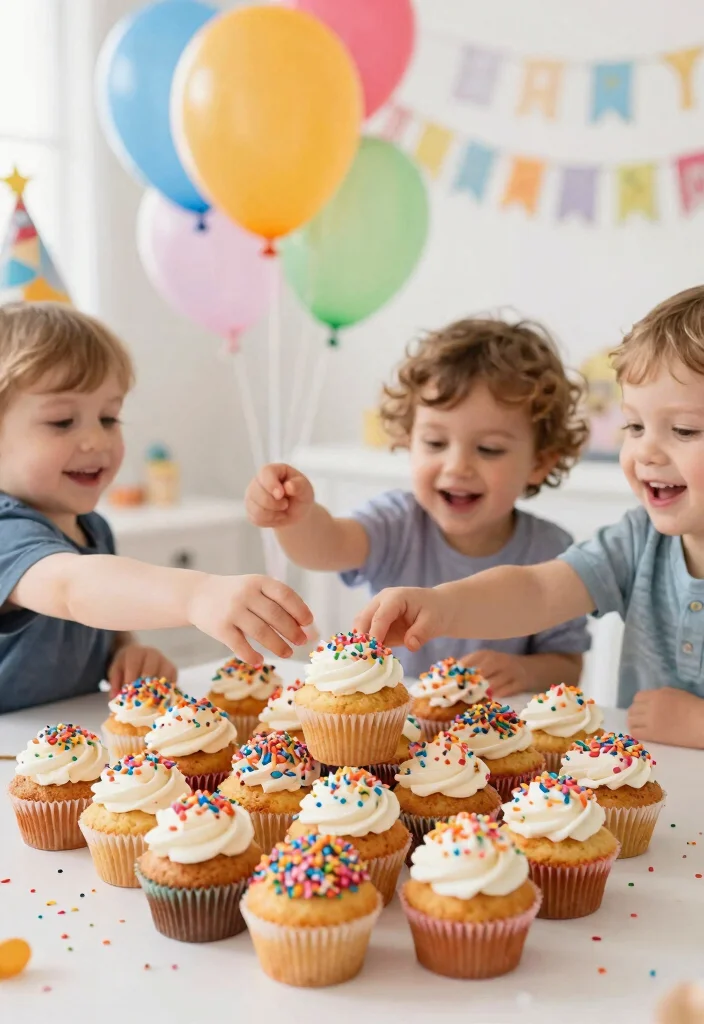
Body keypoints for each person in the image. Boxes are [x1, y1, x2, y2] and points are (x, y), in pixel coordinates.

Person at [353, 286, 704, 750]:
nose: (645, 452)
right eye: (634, 426)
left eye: (683, 430)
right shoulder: (638, 540)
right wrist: (443, 606)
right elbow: (538, 590)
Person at [246, 315, 590, 694]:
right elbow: (325, 547)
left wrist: (526, 673)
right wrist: (297, 516)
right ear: (409, 440)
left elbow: (567, 665)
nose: (457, 466)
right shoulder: (397, 523)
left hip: (497, 734)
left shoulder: (551, 551)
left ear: (540, 462)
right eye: (435, 443)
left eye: (489, 449)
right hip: (396, 729)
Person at [0, 303, 312, 714]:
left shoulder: (92, 528)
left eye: (109, 418)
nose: (96, 440)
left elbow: (97, 612)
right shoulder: (7, 531)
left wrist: (126, 650)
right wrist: (197, 593)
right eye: (62, 421)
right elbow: (70, 588)